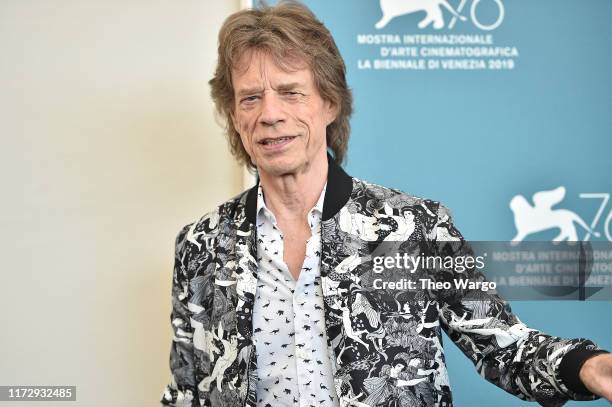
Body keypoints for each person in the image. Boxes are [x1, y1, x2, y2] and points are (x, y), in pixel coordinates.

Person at [160, 2, 612, 406]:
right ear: (236, 117)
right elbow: (185, 392)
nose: (270, 112)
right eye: (251, 98)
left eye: (291, 91)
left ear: (330, 103)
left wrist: (587, 367)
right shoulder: (201, 245)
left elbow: (502, 346)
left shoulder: (414, 227)